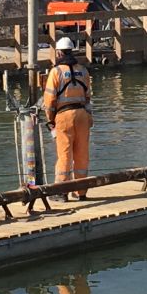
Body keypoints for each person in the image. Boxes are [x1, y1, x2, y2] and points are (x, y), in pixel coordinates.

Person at [42, 36, 93, 199]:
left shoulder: (56, 72)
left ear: (58, 53)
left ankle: (61, 191)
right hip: (82, 115)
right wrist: (89, 117)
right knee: (82, 153)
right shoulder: (83, 71)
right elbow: (88, 97)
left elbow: (49, 100)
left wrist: (50, 120)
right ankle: (81, 192)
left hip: (64, 116)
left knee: (64, 154)